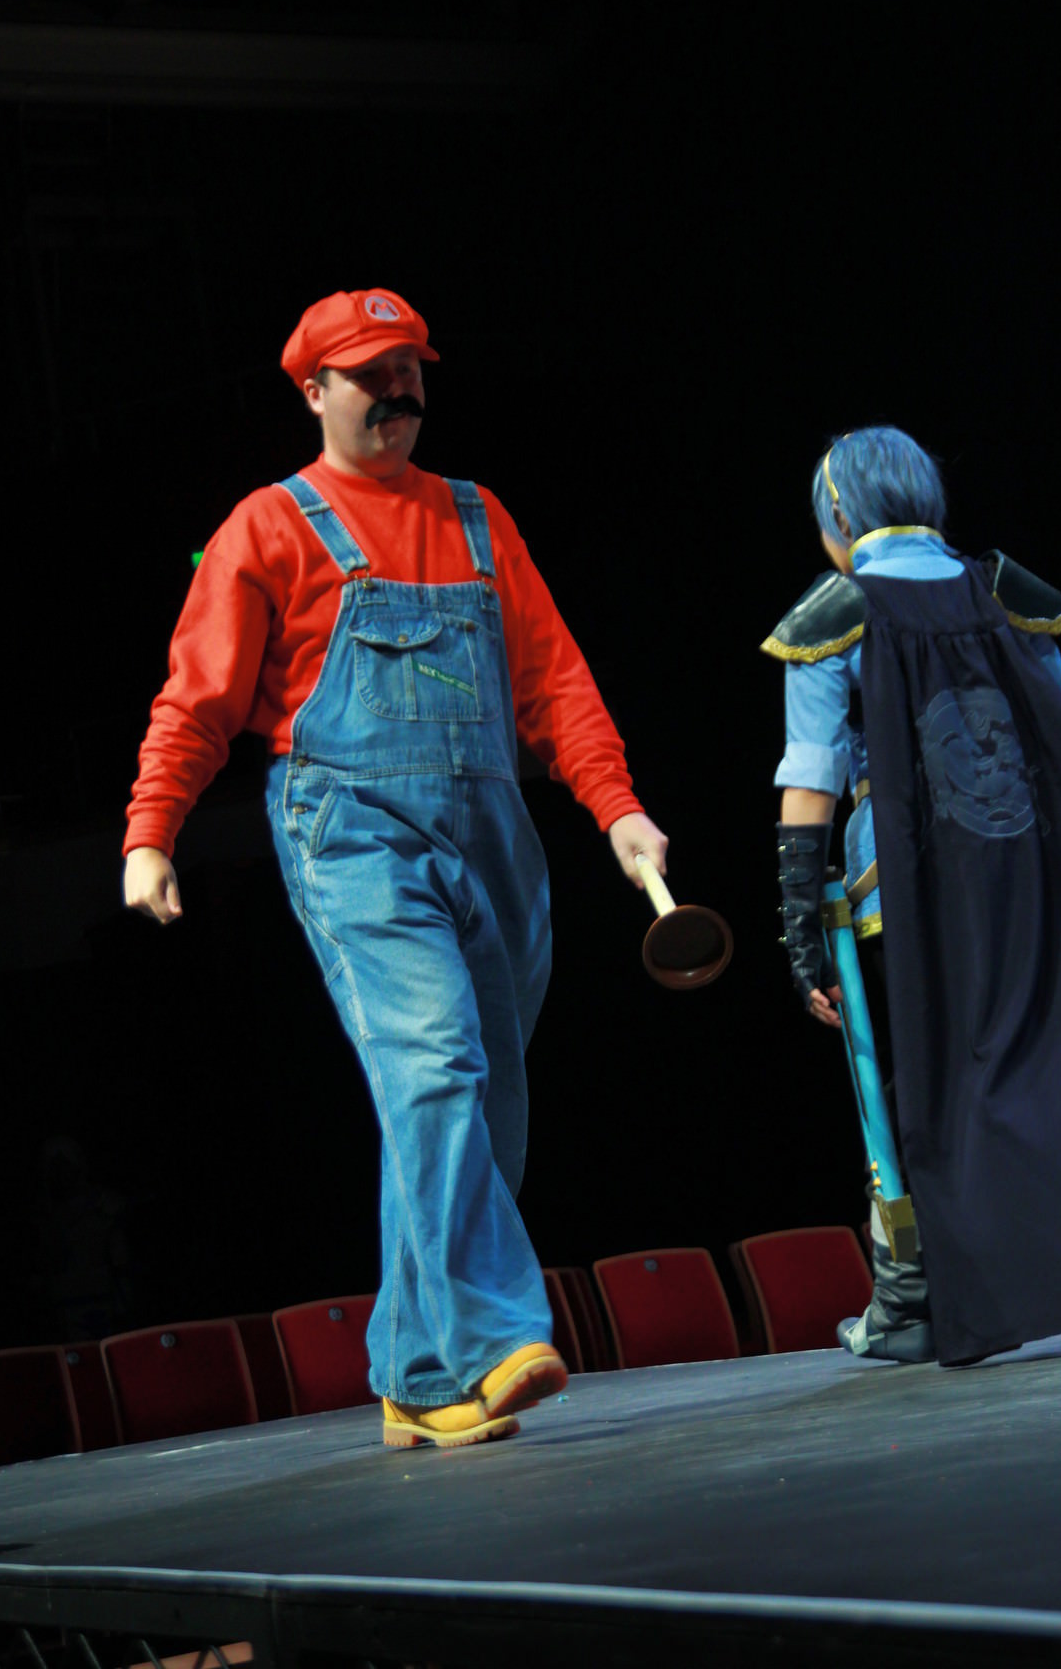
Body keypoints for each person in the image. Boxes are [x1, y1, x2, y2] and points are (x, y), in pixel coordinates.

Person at [123, 286, 667, 1445]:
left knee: (486, 1094)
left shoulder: (477, 515)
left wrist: (616, 808)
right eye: (372, 373)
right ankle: (496, 1335)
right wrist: (151, 830)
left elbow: (553, 680)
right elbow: (200, 695)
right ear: (313, 390)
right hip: (352, 826)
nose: (399, 390)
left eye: (410, 367)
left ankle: (417, 1375)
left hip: (491, 827)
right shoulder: (269, 526)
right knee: (433, 1065)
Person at [764, 425, 1061, 1367]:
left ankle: (913, 1296)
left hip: (903, 893)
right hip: (1033, 882)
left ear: (839, 512)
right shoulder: (1005, 590)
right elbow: (1059, 729)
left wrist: (797, 922)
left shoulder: (837, 610)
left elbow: (812, 774)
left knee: (918, 1082)